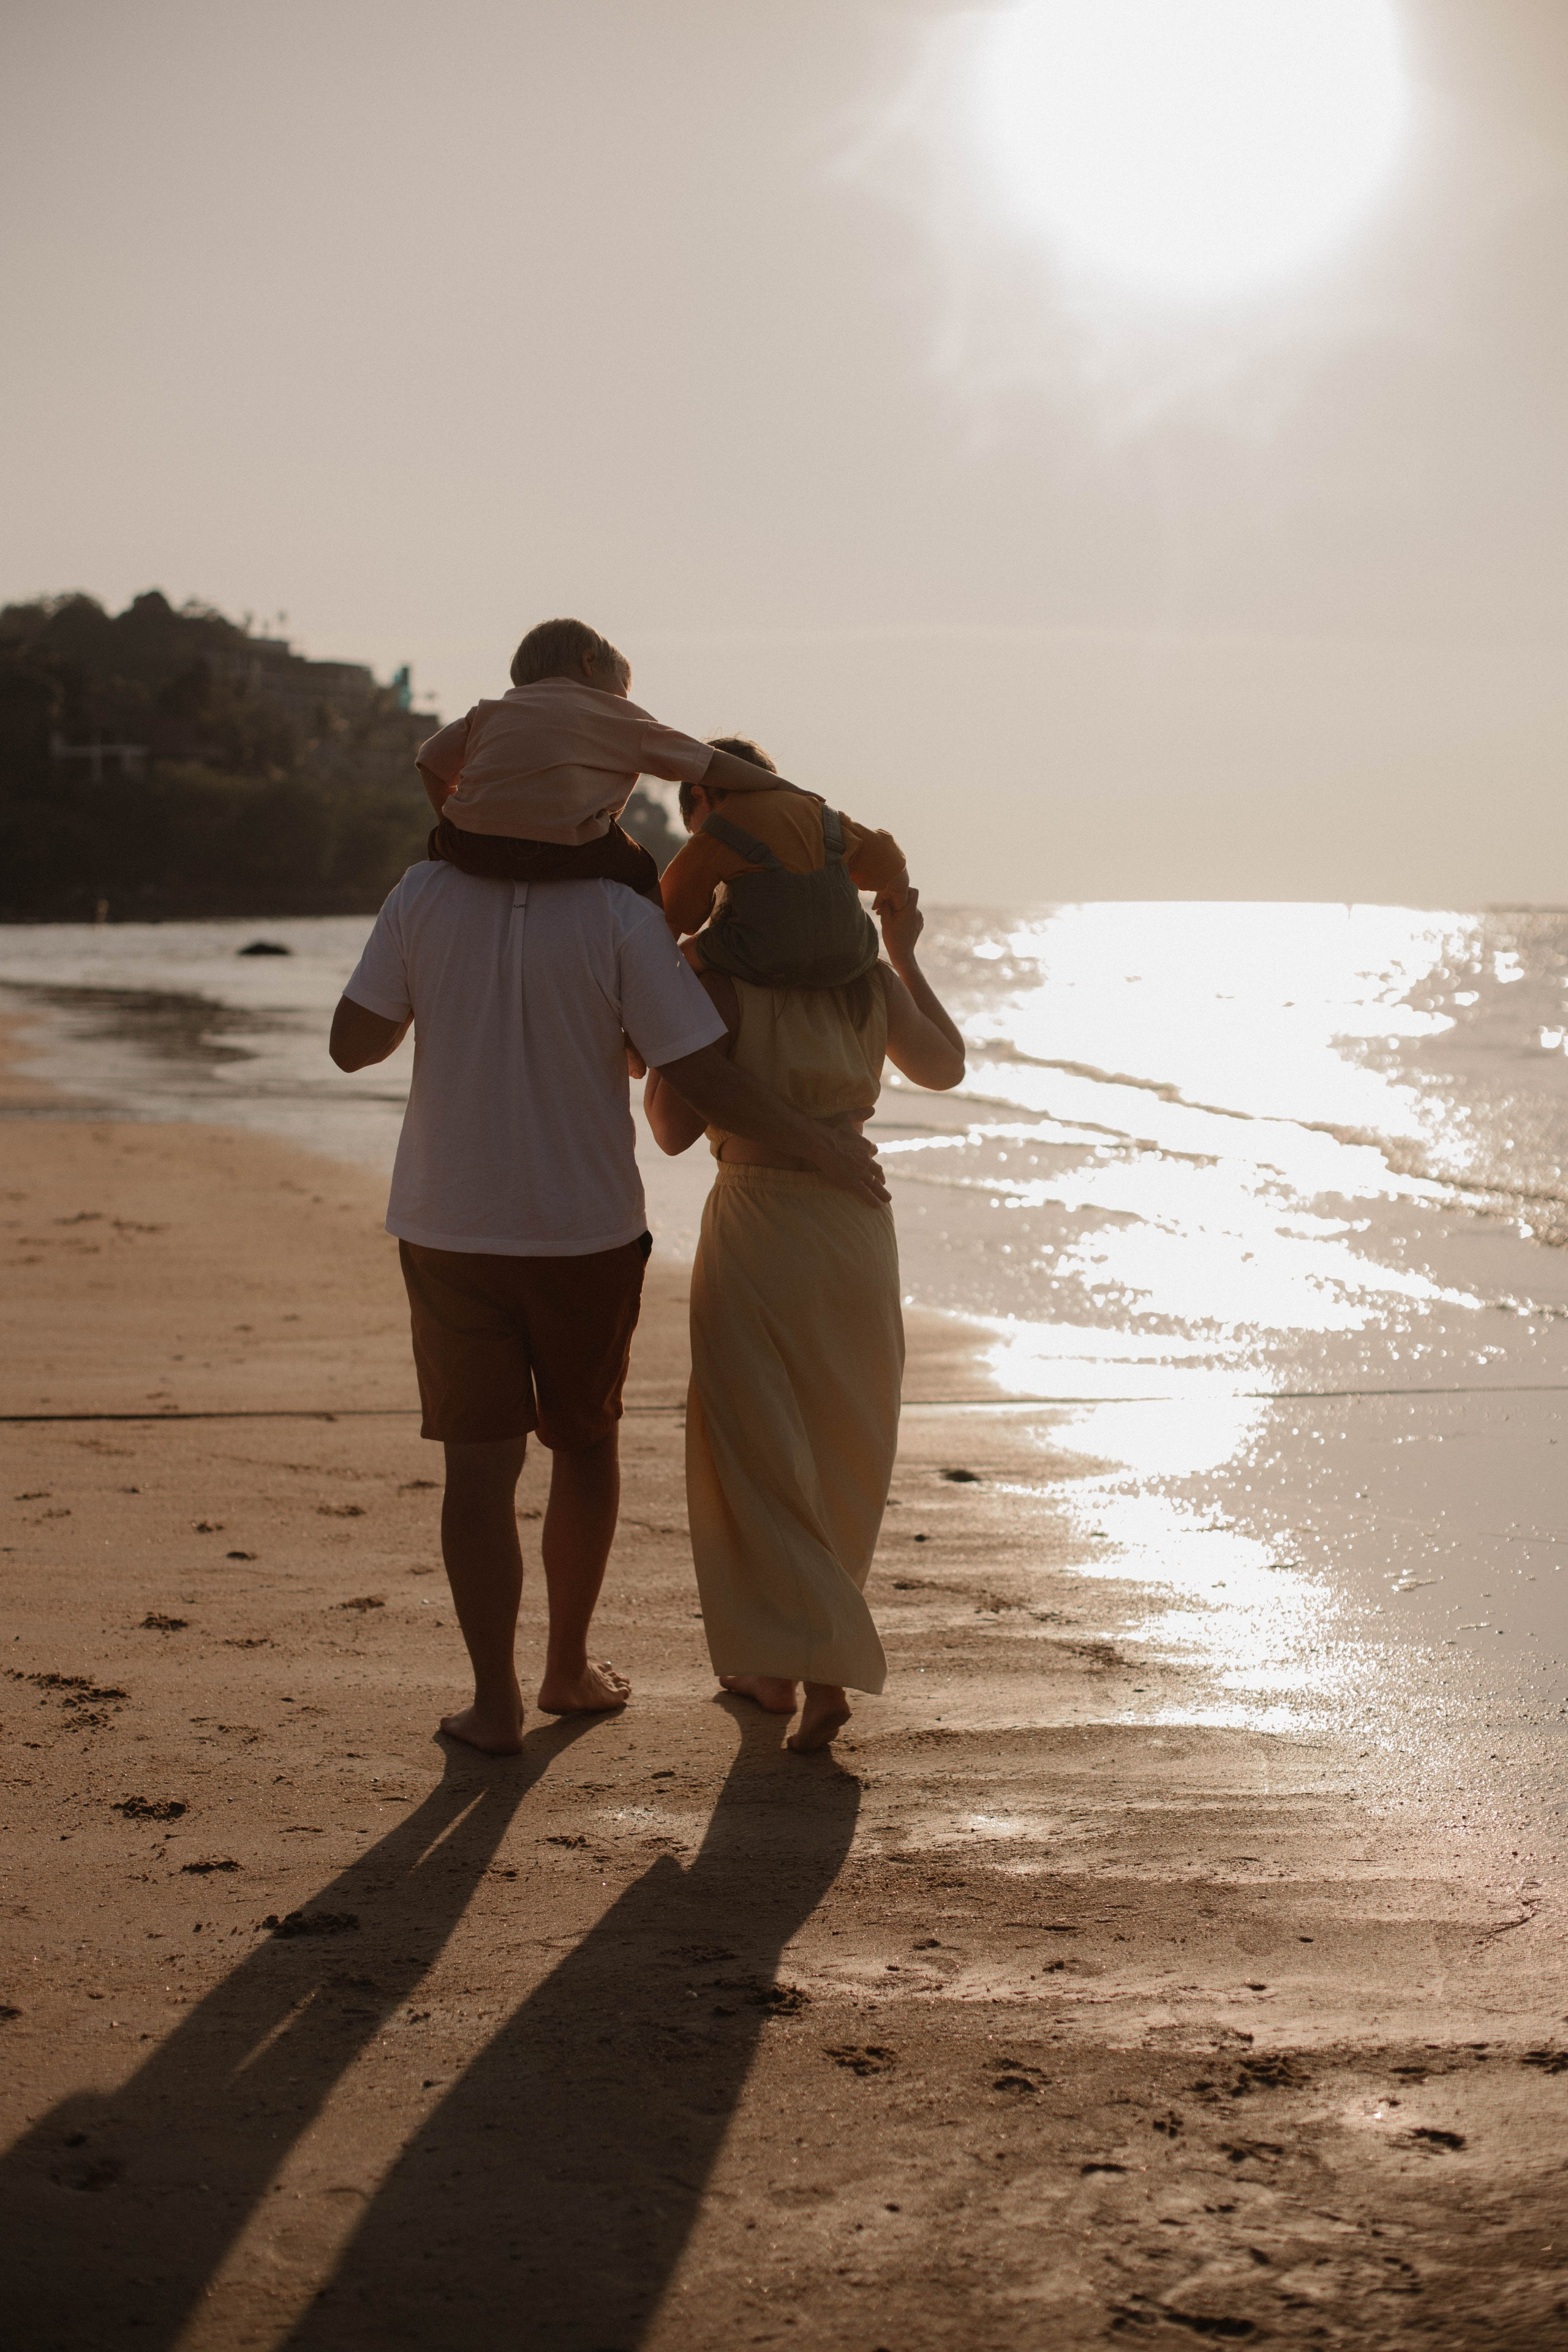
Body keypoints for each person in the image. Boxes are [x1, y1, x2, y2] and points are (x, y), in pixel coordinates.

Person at [328, 846, 888, 1757]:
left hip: (449, 1219)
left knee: (478, 1467)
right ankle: (565, 1668)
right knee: (583, 1445)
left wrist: (441, 989)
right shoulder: (619, 911)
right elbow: (684, 1075)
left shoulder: (423, 891)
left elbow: (352, 1046)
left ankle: (494, 1703)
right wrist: (815, 1140)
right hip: (582, 1228)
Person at [644, 755, 966, 1752]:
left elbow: (667, 1129)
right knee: (843, 1446)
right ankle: (813, 1665)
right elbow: (945, 1067)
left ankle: (785, 1666)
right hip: (859, 1230)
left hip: (758, 1220)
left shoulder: (709, 972)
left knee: (753, 1452)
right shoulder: (866, 976)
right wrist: (905, 951)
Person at [413, 617, 835, 900]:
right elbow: (707, 763)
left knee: (442, 847)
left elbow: (430, 760)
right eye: (623, 688)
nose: (624, 700)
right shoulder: (613, 715)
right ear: (590, 662)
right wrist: (783, 787)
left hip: (470, 845)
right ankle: (657, 953)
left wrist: (452, 821)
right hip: (569, 849)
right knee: (643, 875)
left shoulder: (491, 710)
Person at [661, 734, 910, 986]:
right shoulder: (820, 813)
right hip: (852, 954)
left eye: (693, 830)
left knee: (686, 955)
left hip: (767, 955)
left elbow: (670, 912)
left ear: (699, 795)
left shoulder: (718, 828)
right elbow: (891, 859)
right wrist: (897, 895)